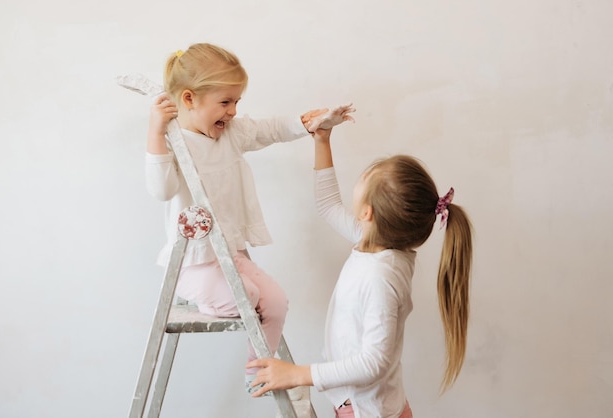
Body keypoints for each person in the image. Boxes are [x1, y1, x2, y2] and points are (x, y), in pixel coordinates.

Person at [144, 42, 355, 395]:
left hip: (231, 254)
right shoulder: (173, 141)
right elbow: (161, 189)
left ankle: (257, 370)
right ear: (189, 99)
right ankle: (194, 291)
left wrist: (304, 123)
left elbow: (268, 130)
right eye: (225, 102)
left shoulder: (232, 133)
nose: (233, 111)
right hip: (192, 264)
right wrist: (155, 132)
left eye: (237, 102)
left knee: (275, 301)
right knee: (249, 295)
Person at [246, 125, 473, 417]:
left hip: (368, 412)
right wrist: (322, 140)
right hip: (361, 407)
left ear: (368, 213)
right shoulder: (376, 244)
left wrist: (299, 374)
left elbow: (374, 362)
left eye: (363, 179)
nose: (359, 180)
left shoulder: (382, 277)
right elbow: (328, 205)